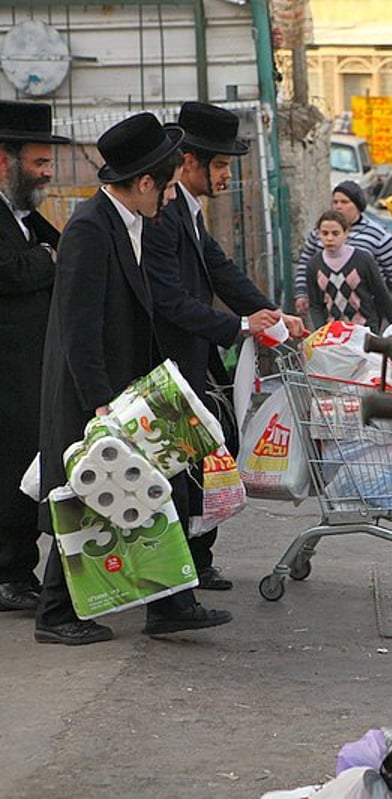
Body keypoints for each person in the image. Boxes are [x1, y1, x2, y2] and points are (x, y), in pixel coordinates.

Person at [35, 112, 232, 645]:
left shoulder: (130, 222)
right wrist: (99, 403)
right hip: (91, 390)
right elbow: (78, 329)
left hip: (127, 385)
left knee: (152, 488)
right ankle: (55, 613)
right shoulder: (89, 230)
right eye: (165, 188)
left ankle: (171, 603)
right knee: (81, 497)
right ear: (145, 183)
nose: (169, 200)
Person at [142, 101, 305, 592]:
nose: (225, 177)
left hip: (196, 356)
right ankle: (180, 571)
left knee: (207, 457)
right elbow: (167, 298)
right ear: (187, 161)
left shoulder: (190, 214)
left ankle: (197, 558)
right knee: (185, 465)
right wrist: (239, 324)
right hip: (168, 358)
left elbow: (222, 271)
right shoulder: (165, 215)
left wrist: (273, 315)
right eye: (217, 166)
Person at [0, 101, 68, 612]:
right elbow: (12, 272)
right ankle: (8, 575)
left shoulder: (22, 215)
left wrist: (42, 256)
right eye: (39, 163)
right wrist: (43, 260)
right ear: (5, 160)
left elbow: (53, 250)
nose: (48, 173)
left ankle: (16, 569)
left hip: (27, 369)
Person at [293, 181, 392, 317]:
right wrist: (301, 293)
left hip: (365, 309)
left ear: (358, 205)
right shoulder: (320, 232)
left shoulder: (378, 235)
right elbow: (305, 263)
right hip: (327, 308)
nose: (338, 206)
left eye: (344, 202)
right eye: (335, 202)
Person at [306, 209, 392, 333]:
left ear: (346, 233)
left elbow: (381, 294)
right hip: (333, 333)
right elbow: (315, 305)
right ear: (318, 234)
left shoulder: (363, 260)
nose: (329, 238)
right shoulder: (314, 265)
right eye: (325, 233)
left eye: (335, 233)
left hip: (364, 330)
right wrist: (322, 331)